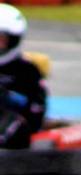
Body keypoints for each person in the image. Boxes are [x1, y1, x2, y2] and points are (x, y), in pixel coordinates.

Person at [0, 4, 46, 150]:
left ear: (13, 40)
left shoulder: (27, 70)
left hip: (14, 123)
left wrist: (6, 96)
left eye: (1, 39)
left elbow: (36, 110)